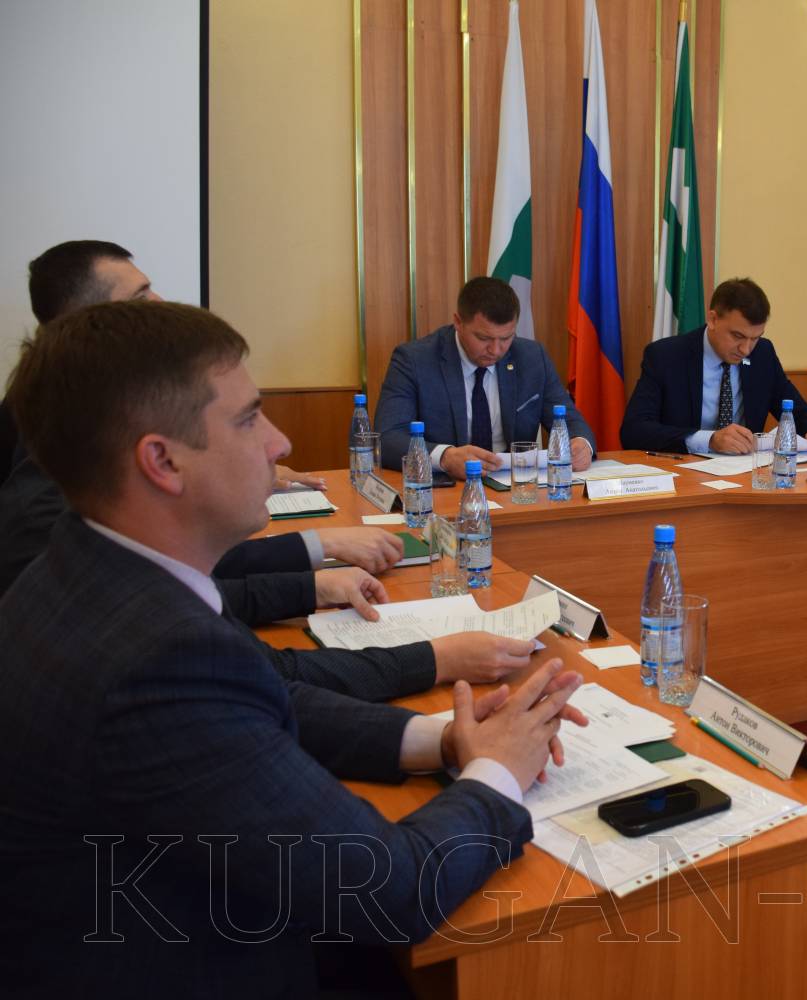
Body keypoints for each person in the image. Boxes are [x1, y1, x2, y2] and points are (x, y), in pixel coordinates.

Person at [0, 300, 585, 998]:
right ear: (161, 460)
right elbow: (388, 889)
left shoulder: (89, 571)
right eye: (250, 419)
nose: (279, 443)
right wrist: (498, 771)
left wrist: (443, 740)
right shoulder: (154, 660)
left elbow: (265, 692)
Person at [6, 240, 398, 574]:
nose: (160, 303)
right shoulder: (43, 486)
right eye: (140, 299)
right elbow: (161, 574)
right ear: (90, 325)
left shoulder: (99, 409)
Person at [375, 276, 595, 476]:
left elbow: (570, 420)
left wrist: (581, 443)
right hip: (447, 487)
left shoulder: (531, 358)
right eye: (483, 338)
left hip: (514, 487)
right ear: (458, 322)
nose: (496, 350)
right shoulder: (415, 360)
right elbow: (388, 438)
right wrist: (445, 457)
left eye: (506, 338)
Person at [620, 277, 807, 454]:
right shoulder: (666, 357)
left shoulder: (762, 354)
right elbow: (634, 431)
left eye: (755, 338)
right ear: (713, 319)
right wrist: (709, 440)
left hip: (742, 474)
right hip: (684, 471)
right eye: (738, 336)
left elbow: (795, 409)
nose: (746, 349)